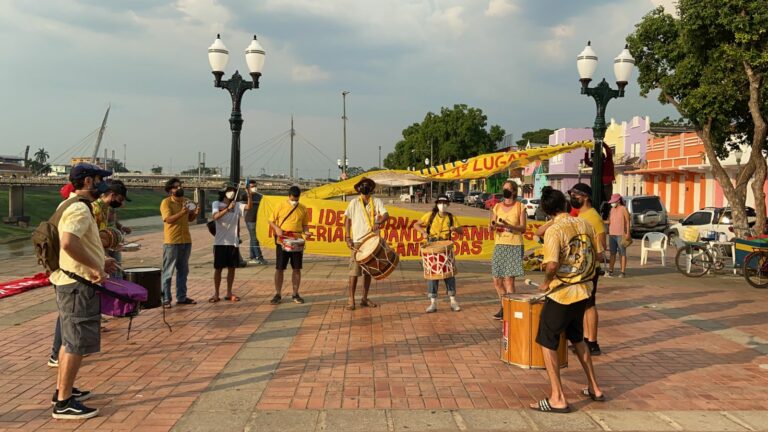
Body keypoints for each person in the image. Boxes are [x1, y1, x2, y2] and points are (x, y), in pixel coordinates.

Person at [49, 163, 118, 419]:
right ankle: (64, 402)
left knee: (70, 340)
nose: (103, 184)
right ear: (88, 181)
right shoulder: (79, 208)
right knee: (77, 343)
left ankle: (63, 391)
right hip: (78, 284)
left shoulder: (67, 204)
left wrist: (100, 259)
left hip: (69, 280)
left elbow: (77, 242)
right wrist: (95, 267)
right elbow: (68, 243)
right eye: (100, 179)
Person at [530, 186, 604, 413]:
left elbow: (552, 264)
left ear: (546, 210)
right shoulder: (585, 224)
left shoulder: (555, 231)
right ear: (564, 204)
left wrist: (546, 281)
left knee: (546, 341)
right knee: (577, 338)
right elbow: (598, 254)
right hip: (583, 291)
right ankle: (595, 388)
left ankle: (557, 397)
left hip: (562, 293)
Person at [568, 183, 607, 356]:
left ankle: (593, 342)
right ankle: (584, 339)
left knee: (589, 304)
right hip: (579, 267)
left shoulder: (593, 217)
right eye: (571, 194)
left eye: (575, 195)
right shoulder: (578, 215)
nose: (572, 198)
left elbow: (601, 246)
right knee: (582, 305)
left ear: (585, 197)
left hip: (590, 268)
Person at [345, 177, 389, 310]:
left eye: (367, 185)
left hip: (372, 241)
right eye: (363, 185)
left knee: (368, 272)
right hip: (358, 241)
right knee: (354, 272)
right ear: (359, 188)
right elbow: (347, 219)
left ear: (371, 188)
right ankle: (351, 299)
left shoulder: (376, 201)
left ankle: (364, 298)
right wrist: (347, 236)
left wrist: (379, 222)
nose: (365, 187)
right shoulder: (353, 202)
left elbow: (386, 215)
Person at [414, 195, 461, 313]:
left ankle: (453, 300)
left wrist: (455, 229)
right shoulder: (430, 215)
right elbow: (416, 225)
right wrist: (423, 233)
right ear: (437, 204)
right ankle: (433, 303)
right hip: (432, 245)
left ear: (448, 204)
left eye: (445, 203)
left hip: (446, 245)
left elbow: (461, 231)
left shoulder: (451, 217)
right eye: (440, 202)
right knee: (432, 274)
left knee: (449, 274)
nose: (442, 205)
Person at [160, 178, 199, 308]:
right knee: (168, 271)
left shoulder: (186, 201)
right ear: (170, 190)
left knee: (183, 271)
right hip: (172, 241)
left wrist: (195, 213)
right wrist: (182, 212)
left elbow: (190, 219)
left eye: (180, 186)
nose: (178, 188)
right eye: (175, 187)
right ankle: (166, 298)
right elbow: (168, 220)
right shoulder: (166, 203)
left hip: (186, 240)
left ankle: (181, 297)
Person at [489, 180, 526, 320]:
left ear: (514, 191)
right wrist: (493, 226)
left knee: (509, 280)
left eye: (508, 189)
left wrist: (509, 225)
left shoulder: (520, 207)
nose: (505, 191)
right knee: (497, 280)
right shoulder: (497, 206)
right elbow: (492, 224)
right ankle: (504, 306)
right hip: (499, 244)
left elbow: (523, 228)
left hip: (514, 245)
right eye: (504, 189)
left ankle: (511, 309)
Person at [210, 185, 252, 303]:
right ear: (223, 192)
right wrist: (228, 209)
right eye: (229, 191)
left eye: (233, 192)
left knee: (232, 268)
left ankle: (229, 292)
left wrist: (249, 194)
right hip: (220, 242)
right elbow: (215, 217)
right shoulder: (216, 204)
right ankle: (216, 293)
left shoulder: (237, 205)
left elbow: (249, 207)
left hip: (233, 242)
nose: (231, 193)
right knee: (218, 269)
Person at [269, 186, 311, 304]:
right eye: (293, 199)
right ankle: (278, 294)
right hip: (282, 240)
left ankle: (295, 293)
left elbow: (305, 225)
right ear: (289, 196)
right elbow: (271, 220)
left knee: (297, 268)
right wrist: (277, 228)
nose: (295, 202)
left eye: (297, 200)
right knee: (280, 268)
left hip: (296, 241)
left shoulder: (303, 208)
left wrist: (307, 233)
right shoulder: (280, 205)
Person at [93, 180, 131, 278]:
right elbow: (93, 236)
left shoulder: (106, 208)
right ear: (112, 195)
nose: (121, 203)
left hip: (104, 248)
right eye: (120, 199)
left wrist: (112, 244)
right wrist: (105, 255)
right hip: (96, 251)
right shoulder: (95, 208)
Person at [606, 193, 631, 278]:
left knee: (622, 253)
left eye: (613, 202)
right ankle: (611, 270)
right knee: (612, 253)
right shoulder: (612, 210)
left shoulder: (624, 209)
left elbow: (628, 221)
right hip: (612, 234)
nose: (612, 203)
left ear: (618, 201)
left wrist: (628, 233)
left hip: (621, 234)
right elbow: (609, 221)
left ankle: (622, 272)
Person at [244, 180, 268, 265]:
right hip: (250, 220)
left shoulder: (260, 196)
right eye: (252, 186)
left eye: (255, 186)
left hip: (258, 220)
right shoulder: (244, 196)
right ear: (247, 188)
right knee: (255, 239)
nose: (254, 188)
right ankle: (259, 257)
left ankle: (253, 257)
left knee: (252, 239)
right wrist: (248, 195)